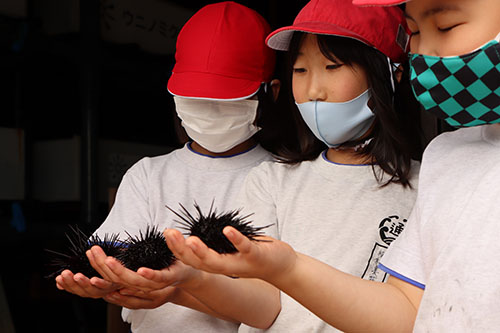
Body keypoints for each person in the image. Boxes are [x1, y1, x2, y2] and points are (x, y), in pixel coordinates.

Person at [162, 0, 500, 332]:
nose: (313, 90)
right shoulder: (447, 159)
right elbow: (405, 310)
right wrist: (187, 283)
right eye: (300, 69)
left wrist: (287, 269)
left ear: (388, 74)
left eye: (333, 66)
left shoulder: (423, 178)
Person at [54, 2, 281, 332]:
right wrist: (105, 275)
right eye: (195, 98)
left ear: (269, 94)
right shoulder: (148, 176)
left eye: (225, 100)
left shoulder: (284, 179)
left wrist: (179, 287)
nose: (208, 110)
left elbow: (278, 302)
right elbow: (113, 256)